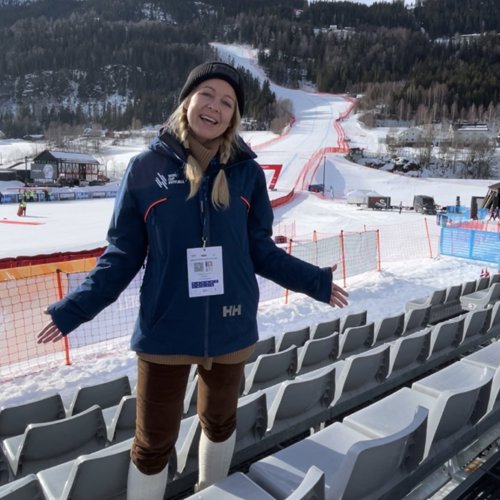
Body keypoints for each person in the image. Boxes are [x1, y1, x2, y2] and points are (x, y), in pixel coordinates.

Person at [37, 61, 349, 499]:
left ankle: (211, 491)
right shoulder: (145, 170)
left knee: (220, 423)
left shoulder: (247, 174)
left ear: (234, 116)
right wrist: (74, 310)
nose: (215, 107)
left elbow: (260, 250)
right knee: (152, 444)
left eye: (227, 102)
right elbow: (122, 256)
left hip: (231, 326)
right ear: (188, 101)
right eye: (207, 94)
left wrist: (314, 281)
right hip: (166, 332)